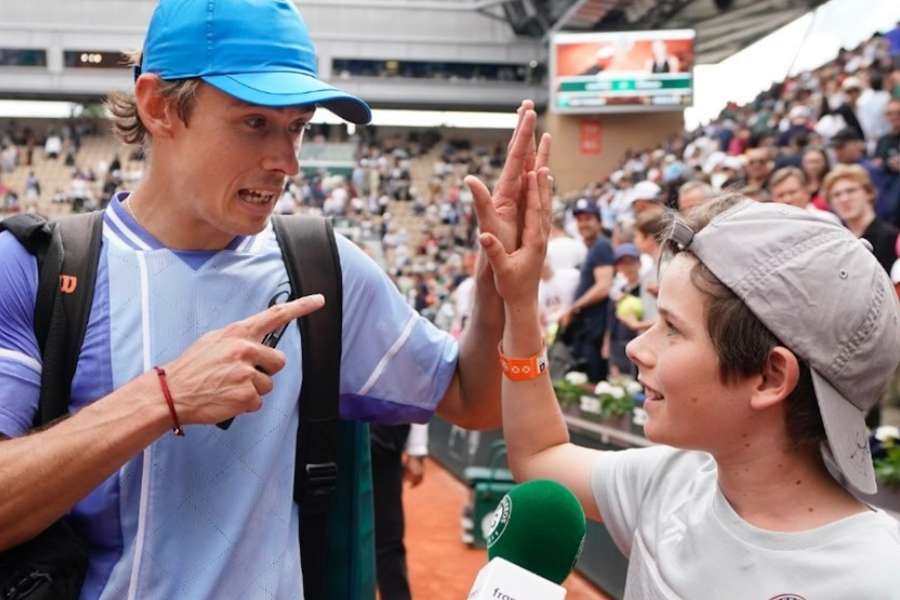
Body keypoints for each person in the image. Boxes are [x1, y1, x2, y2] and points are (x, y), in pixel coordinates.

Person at [0, 1, 551, 598]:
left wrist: (503, 290)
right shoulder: (36, 269)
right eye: (254, 123)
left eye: (297, 126)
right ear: (158, 106)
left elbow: (471, 399)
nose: (286, 162)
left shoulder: (320, 265)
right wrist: (164, 397)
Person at [478, 184, 900, 598]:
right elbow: (540, 457)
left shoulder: (879, 576)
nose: (636, 347)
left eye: (672, 328)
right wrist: (519, 302)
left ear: (770, 378)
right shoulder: (671, 481)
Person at [370, 422, 428, 600]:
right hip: (328, 435)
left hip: (383, 439)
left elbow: (419, 393)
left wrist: (416, 449)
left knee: (388, 541)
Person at [559, 198, 615, 382]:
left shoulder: (601, 246)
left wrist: (574, 307)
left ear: (599, 221)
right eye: (579, 219)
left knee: (593, 380)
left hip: (595, 328)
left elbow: (603, 286)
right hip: (587, 327)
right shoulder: (593, 248)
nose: (583, 224)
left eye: (588, 218)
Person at [823, 164, 899, 276]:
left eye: (850, 191)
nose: (844, 199)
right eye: (836, 195)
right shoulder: (835, 243)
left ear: (869, 193)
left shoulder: (892, 237)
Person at [768, 167, 841, 224]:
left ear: (806, 192)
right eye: (780, 195)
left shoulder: (826, 220)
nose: (787, 199)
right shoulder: (769, 226)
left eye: (792, 192)